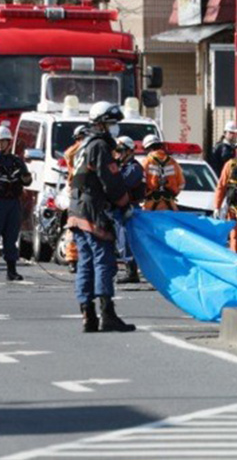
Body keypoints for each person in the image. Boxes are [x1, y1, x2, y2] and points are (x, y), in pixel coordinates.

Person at [66, 101, 135, 333]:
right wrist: (125, 203)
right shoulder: (99, 147)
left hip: (77, 210)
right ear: (101, 125)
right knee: (103, 261)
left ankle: (88, 314)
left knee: (85, 263)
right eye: (112, 123)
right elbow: (112, 182)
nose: (115, 128)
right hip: (93, 211)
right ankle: (107, 314)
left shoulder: (84, 146)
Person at [0, 125, 32, 281]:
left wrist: (25, 178)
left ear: (8, 142)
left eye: (2, 141)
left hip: (13, 203)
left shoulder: (17, 161)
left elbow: (27, 180)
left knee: (11, 237)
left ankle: (11, 270)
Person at [113, 136, 145, 284]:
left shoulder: (134, 167)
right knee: (117, 239)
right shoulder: (120, 166)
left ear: (128, 151)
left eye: (120, 151)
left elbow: (123, 184)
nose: (117, 154)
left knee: (125, 238)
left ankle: (132, 271)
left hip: (129, 207)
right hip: (117, 207)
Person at [60, 125, 90, 272]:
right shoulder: (80, 150)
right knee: (77, 227)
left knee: (76, 227)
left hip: (79, 192)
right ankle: (73, 258)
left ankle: (75, 259)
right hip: (80, 192)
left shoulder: (75, 151)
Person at [141, 135, 184, 212]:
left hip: (150, 207)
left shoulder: (146, 162)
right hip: (170, 206)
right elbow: (181, 184)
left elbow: (141, 183)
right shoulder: (173, 162)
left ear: (148, 148)